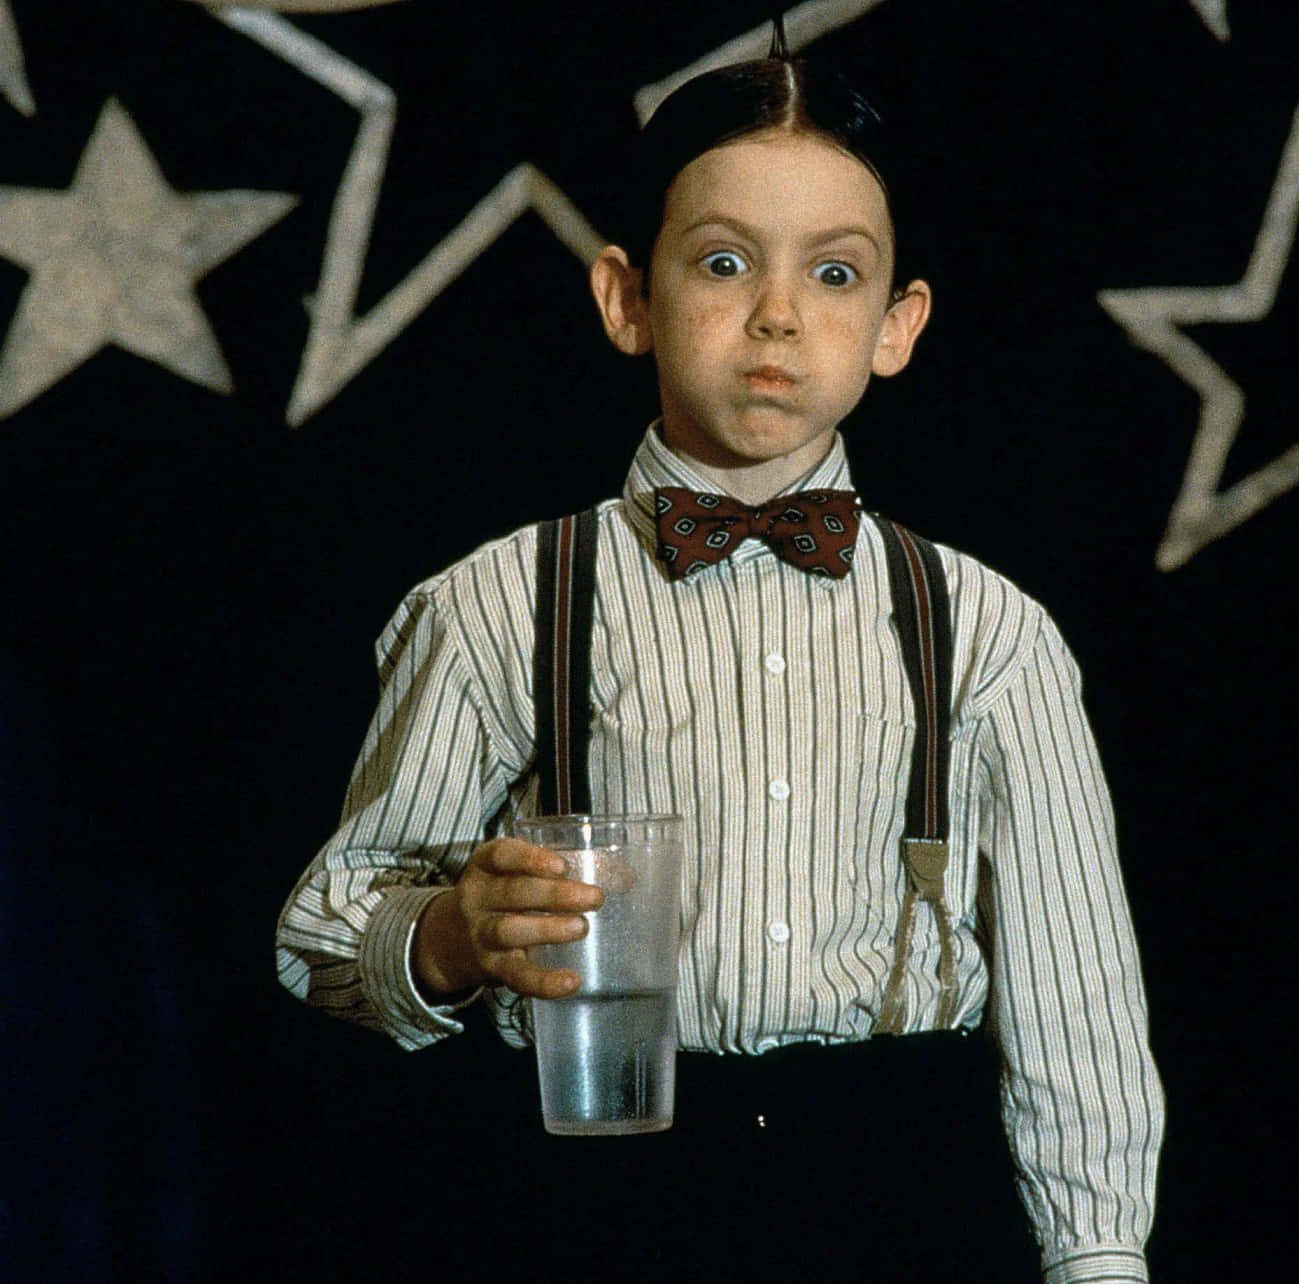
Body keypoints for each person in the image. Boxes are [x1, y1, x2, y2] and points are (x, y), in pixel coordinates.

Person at [276, 39, 1163, 1284]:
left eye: (837, 272)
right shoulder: (498, 604)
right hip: (596, 1201)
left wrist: (1097, 1258)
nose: (780, 314)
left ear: (898, 324)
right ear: (626, 299)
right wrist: (451, 940)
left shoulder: (988, 630)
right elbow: (325, 932)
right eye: (724, 262)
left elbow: (1077, 1001)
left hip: (902, 1196)